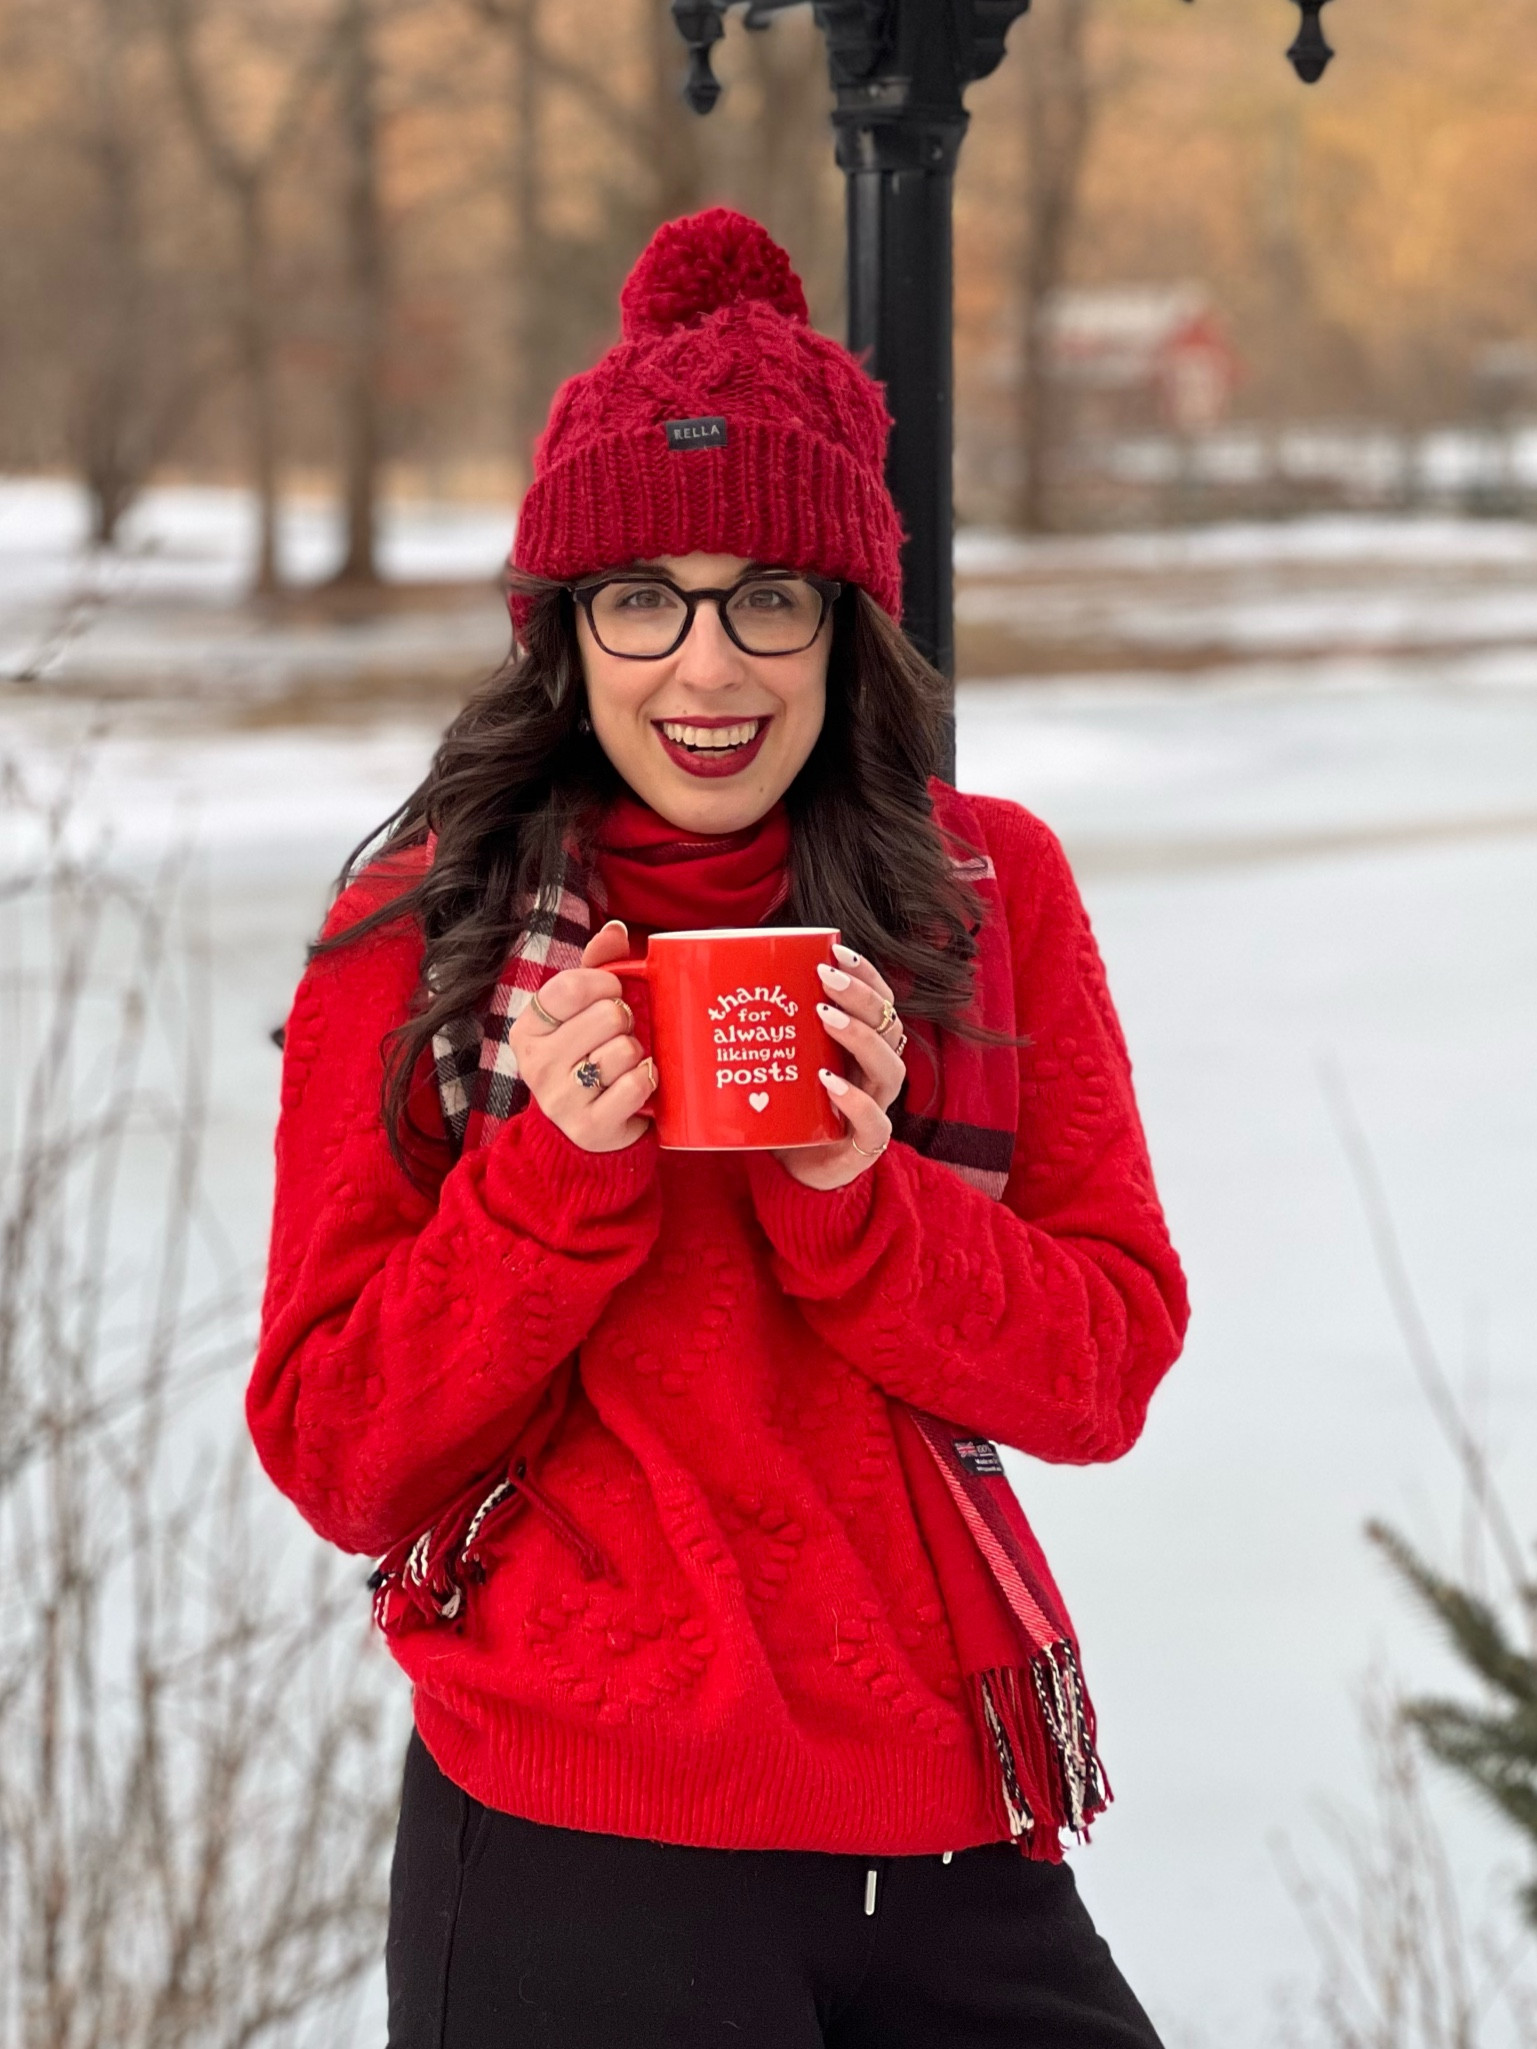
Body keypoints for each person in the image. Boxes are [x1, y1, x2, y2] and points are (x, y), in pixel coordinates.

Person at [248, 209, 1190, 2049]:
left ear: (845, 623)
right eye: (642, 598)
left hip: (950, 1835)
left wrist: (864, 1197)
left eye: (768, 594)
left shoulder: (988, 894)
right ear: (563, 632)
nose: (707, 668)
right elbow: (336, 1448)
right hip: (572, 1846)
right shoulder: (421, 937)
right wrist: (552, 1186)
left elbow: (1104, 1367)